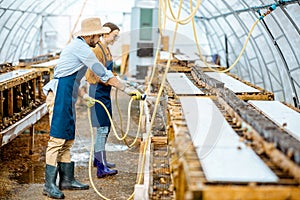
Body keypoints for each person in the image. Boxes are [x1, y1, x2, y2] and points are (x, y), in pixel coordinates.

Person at [42, 18, 142, 199]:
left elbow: (74, 77)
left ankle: (67, 180)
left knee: (67, 140)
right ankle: (49, 185)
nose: (100, 37)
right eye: (98, 34)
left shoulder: (82, 48)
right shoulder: (82, 49)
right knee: (57, 140)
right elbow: (103, 73)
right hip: (59, 96)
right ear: (90, 35)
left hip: (68, 94)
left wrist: (83, 95)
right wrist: (126, 89)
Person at [85, 22, 121, 178]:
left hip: (104, 92)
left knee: (106, 126)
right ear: (106, 34)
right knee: (102, 129)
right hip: (97, 91)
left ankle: (98, 159)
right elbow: (97, 75)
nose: (115, 39)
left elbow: (109, 72)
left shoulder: (106, 50)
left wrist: (117, 79)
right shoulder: (96, 51)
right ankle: (101, 167)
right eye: (114, 35)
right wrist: (117, 83)